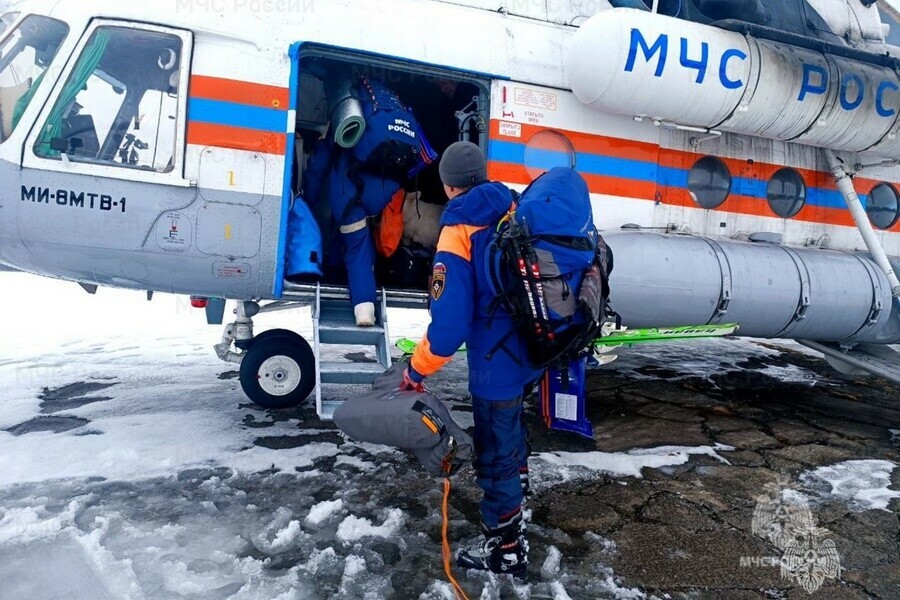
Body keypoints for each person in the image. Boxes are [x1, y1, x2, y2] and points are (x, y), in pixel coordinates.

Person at [402, 142, 540, 580]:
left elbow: (448, 327)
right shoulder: (514, 206)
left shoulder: (458, 228)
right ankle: (518, 498)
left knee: (495, 451)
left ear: (448, 185)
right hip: (531, 350)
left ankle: (507, 547)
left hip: (494, 362)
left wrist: (415, 370)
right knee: (512, 432)